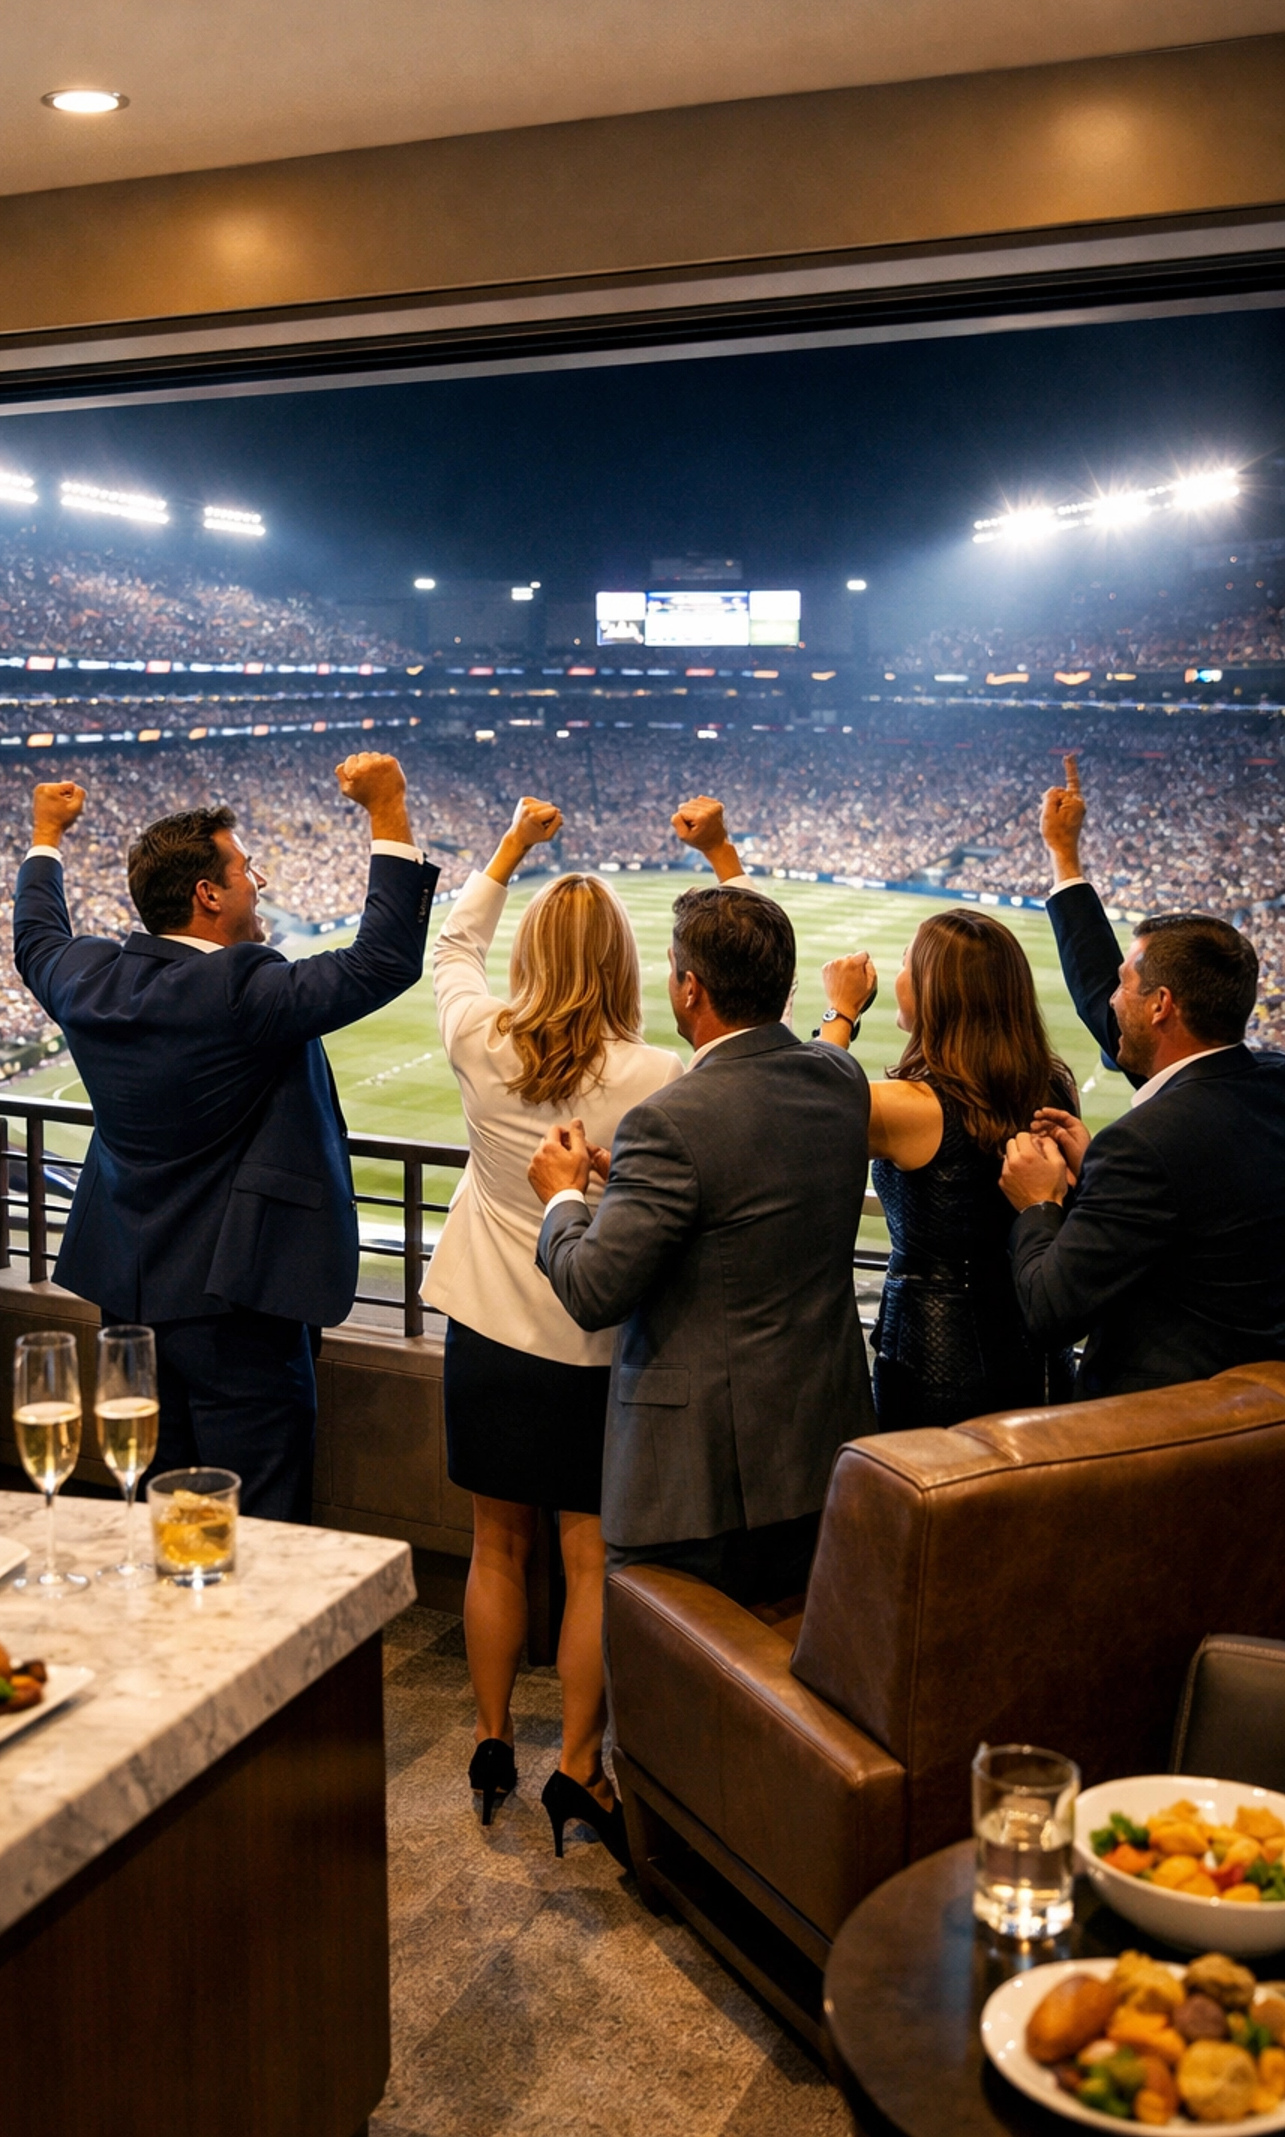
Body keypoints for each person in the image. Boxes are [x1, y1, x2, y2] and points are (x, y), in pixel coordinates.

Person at [424, 793, 754, 1861]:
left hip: (485, 1326)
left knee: (493, 1546)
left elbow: (454, 942)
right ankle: (575, 1763)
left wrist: (514, 845)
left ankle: (484, 1740)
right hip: (594, 1344)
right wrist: (722, 862)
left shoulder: (481, 1040)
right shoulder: (657, 1077)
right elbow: (756, 1010)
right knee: (586, 1556)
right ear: (624, 961)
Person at [13, 755, 439, 1518]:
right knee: (262, 1525)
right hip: (240, 1309)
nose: (260, 883)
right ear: (208, 895)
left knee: (160, 1514)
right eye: (246, 870)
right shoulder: (241, 989)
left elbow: (36, 938)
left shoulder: (86, 978)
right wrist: (387, 809)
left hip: (129, 1303)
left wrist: (46, 837)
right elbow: (384, 958)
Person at [528, 883, 874, 1618]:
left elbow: (593, 1291)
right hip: (817, 1452)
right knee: (786, 1696)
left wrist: (563, 1196)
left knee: (669, 1702)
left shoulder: (668, 1120)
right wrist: (630, 1183)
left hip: (694, 1483)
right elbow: (747, 1193)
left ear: (690, 988)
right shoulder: (840, 1078)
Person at [996, 770, 1285, 1394]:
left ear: (1160, 1006)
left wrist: (1039, 1202)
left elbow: (1050, 1309)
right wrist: (1064, 858)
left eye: (1126, 984)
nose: (1112, 999)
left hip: (1164, 1432)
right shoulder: (1269, 1081)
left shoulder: (1144, 1143)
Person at [819, 911, 1079, 1429]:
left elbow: (802, 1109)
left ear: (935, 993)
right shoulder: (1052, 1087)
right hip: (1035, 1357)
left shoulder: (911, 1107)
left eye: (905, 964)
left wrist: (840, 1011)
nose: (895, 978)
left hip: (931, 1366)